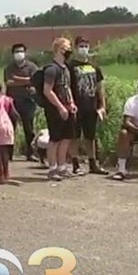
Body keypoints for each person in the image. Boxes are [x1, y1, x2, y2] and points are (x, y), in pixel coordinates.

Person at [66, 36, 107, 175]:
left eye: (86, 46)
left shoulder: (94, 67)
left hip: (91, 105)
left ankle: (93, 163)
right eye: (81, 46)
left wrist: (102, 105)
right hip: (76, 105)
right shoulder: (70, 66)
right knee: (75, 136)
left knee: (91, 136)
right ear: (76, 47)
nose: (84, 49)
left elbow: (99, 87)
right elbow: (67, 87)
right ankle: (75, 164)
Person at [41, 37, 77, 180]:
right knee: (55, 139)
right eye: (67, 47)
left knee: (66, 138)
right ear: (59, 49)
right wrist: (60, 107)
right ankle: (52, 168)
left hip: (67, 107)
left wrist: (72, 103)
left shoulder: (66, 68)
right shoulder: (51, 69)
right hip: (55, 108)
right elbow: (47, 90)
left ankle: (62, 167)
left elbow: (67, 88)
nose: (69, 50)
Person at [3, 43, 39, 162]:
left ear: (25, 53)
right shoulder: (9, 68)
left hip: (28, 101)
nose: (19, 54)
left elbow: (36, 81)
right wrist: (27, 81)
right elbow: (8, 83)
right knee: (10, 128)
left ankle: (31, 153)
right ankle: (9, 153)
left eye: (21, 51)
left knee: (29, 129)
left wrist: (17, 80)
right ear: (13, 54)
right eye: (17, 51)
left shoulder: (32, 67)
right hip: (12, 102)